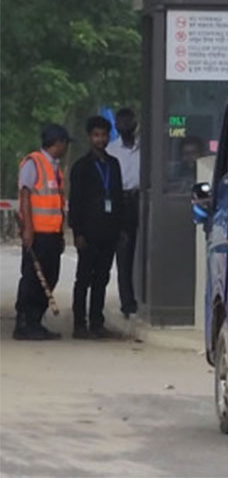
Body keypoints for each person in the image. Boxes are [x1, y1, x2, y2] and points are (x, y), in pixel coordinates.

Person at [14, 124, 70, 340]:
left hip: (52, 233)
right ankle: (24, 322)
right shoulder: (34, 162)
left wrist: (61, 232)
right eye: (64, 143)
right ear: (58, 143)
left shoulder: (54, 167)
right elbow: (25, 195)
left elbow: (56, 201)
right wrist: (28, 228)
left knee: (50, 277)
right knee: (31, 278)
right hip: (36, 233)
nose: (65, 148)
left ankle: (36, 321)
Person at [69, 116, 123, 339]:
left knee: (102, 277)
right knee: (83, 278)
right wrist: (77, 232)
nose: (100, 139)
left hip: (109, 230)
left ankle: (96, 322)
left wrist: (120, 228)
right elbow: (75, 201)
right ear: (89, 137)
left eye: (103, 135)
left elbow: (118, 197)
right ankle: (79, 324)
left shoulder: (113, 164)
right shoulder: (81, 167)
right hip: (88, 231)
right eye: (96, 135)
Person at [106, 107, 139, 319]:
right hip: (122, 202)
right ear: (116, 126)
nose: (126, 125)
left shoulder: (146, 149)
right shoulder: (111, 150)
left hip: (143, 200)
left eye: (130, 121)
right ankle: (128, 304)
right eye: (122, 122)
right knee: (124, 255)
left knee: (143, 253)